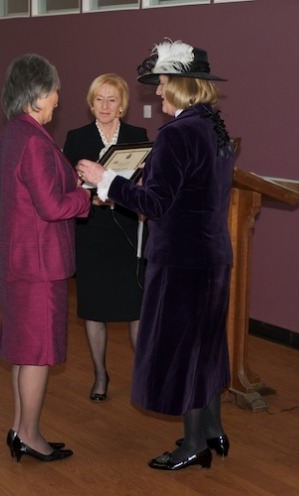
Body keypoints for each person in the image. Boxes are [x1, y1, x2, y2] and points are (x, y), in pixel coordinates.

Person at [76, 40, 234, 471]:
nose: (158, 93)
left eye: (163, 84)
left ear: (181, 86)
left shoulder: (179, 134)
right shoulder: (214, 127)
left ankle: (193, 445)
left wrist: (105, 178)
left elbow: (157, 205)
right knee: (205, 347)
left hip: (183, 262)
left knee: (184, 351)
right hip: (214, 257)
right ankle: (214, 430)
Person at [0, 54, 91, 463]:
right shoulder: (34, 140)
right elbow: (50, 206)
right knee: (37, 354)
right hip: (37, 263)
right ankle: (30, 435)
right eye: (53, 91)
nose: (57, 99)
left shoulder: (13, 132)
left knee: (23, 349)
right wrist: (85, 195)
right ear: (36, 95)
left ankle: (19, 428)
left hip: (17, 258)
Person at [63, 73, 148, 402]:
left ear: (123, 105)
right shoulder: (77, 137)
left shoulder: (137, 136)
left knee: (136, 308)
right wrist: (92, 196)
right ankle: (100, 374)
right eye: (99, 99)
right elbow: (70, 184)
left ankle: (143, 375)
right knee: (94, 308)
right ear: (91, 103)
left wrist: (133, 192)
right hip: (92, 229)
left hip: (127, 229)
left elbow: (145, 181)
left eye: (112, 99)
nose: (105, 105)